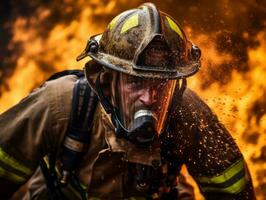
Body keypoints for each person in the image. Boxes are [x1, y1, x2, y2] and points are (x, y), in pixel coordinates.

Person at [0, 3, 256, 200]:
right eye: (135, 83)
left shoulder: (188, 115)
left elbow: (235, 191)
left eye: (159, 84)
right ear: (107, 81)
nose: (149, 97)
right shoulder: (60, 107)